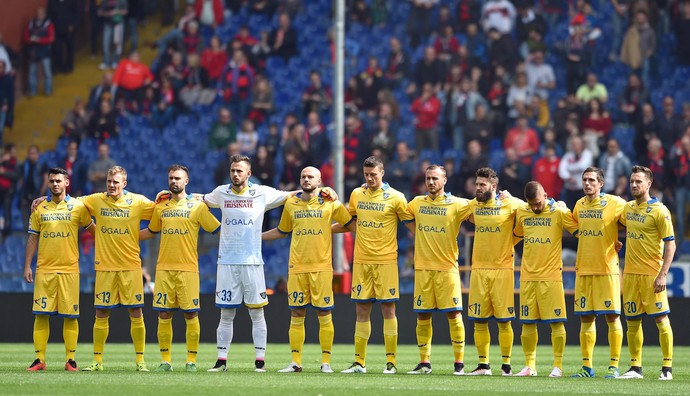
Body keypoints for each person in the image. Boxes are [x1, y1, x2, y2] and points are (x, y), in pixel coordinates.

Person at [203, 154, 336, 372]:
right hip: (226, 261)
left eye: (240, 171)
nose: (235, 174)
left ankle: (260, 362)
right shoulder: (221, 193)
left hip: (253, 262)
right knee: (226, 314)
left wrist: (326, 190)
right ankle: (221, 361)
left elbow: (292, 195)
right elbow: (201, 199)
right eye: (233, 170)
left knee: (257, 313)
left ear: (249, 173)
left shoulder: (262, 193)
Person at [34, 166, 156, 372]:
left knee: (136, 312)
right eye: (109, 181)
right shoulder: (96, 199)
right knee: (101, 313)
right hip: (105, 267)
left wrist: (138, 235)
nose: (111, 185)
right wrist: (42, 199)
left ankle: (140, 361)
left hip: (131, 266)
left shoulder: (138, 201)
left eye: (116, 182)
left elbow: (160, 214)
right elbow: (68, 201)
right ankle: (97, 361)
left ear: (124, 183)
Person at [262, 166, 355, 373]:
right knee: (297, 312)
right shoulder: (291, 203)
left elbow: (350, 224)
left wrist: (328, 229)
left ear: (319, 181)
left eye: (310, 176)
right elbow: (281, 230)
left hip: (321, 267)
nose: (306, 179)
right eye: (303, 176)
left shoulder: (331, 202)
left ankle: (326, 363)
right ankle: (296, 363)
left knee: (324, 313)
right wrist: (256, 236)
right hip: (297, 267)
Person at [139, 165, 220, 372]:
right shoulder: (160, 207)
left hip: (188, 269)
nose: (173, 181)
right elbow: (151, 230)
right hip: (164, 269)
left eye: (177, 178)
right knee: (164, 315)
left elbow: (217, 229)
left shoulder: (198, 206)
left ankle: (191, 361)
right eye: (171, 178)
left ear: (187, 181)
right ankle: (166, 361)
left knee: (191, 315)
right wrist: (126, 235)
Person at [338, 156, 414, 375]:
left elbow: (411, 224)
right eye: (366, 174)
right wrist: (326, 228)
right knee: (361, 310)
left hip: (386, 261)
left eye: (374, 174)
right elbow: (351, 224)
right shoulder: (356, 194)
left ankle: (391, 362)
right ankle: (359, 362)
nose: (370, 178)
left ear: (383, 173)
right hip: (362, 261)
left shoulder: (397, 198)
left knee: (388, 309)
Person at [24, 167, 95, 371]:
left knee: (70, 316)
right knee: (41, 313)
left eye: (59, 181)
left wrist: (110, 245)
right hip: (44, 269)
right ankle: (39, 360)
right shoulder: (39, 208)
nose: (55, 184)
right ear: (48, 183)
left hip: (69, 269)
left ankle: (70, 360)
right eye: (52, 181)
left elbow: (93, 230)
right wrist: (27, 265)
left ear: (67, 183)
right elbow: (32, 237)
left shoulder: (78, 207)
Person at [405, 164, 470, 375]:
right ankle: (424, 363)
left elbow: (483, 206)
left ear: (444, 180)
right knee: (423, 316)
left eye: (435, 178)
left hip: (447, 268)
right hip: (423, 268)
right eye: (428, 178)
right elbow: (398, 213)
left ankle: (459, 364)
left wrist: (502, 196)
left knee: (454, 314)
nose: (431, 182)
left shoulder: (458, 204)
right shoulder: (416, 203)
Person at [512, 181, 578, 377]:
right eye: (531, 204)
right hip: (527, 276)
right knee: (527, 322)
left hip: (551, 277)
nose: (535, 207)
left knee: (556, 322)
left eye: (538, 203)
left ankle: (557, 366)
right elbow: (515, 236)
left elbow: (581, 231)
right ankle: (529, 366)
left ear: (546, 195)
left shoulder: (559, 212)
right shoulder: (523, 213)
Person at [617, 165, 675, 380]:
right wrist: (615, 241)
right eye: (632, 181)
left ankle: (667, 369)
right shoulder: (628, 208)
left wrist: (663, 274)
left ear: (648, 184)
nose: (634, 185)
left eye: (638, 181)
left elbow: (671, 245)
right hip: (631, 275)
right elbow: (618, 226)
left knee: (661, 320)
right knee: (632, 322)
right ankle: (635, 368)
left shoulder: (660, 211)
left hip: (652, 274)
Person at [464, 167, 523, 376]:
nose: (478, 188)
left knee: (503, 320)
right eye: (477, 184)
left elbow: (535, 208)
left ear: (494, 186)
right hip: (479, 269)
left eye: (482, 185)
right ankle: (483, 365)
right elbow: (451, 208)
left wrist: (513, 240)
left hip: (503, 269)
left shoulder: (510, 203)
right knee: (479, 319)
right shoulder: (473, 205)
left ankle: (506, 366)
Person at [570, 167, 627, 379]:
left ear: (601, 183)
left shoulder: (616, 203)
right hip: (584, 268)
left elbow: (629, 219)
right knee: (586, 318)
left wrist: (616, 238)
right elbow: (579, 229)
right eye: (584, 180)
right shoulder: (579, 205)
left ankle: (614, 366)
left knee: (612, 317)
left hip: (607, 269)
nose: (587, 184)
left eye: (592, 180)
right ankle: (587, 367)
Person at [24, 7, 55, 97]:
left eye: (41, 14)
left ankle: (48, 90)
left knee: (47, 72)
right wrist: (30, 40)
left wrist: (40, 40)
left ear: (44, 15)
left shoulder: (48, 24)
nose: (39, 16)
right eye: (38, 14)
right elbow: (26, 35)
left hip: (45, 51)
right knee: (32, 72)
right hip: (33, 51)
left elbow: (51, 38)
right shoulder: (31, 23)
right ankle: (33, 91)